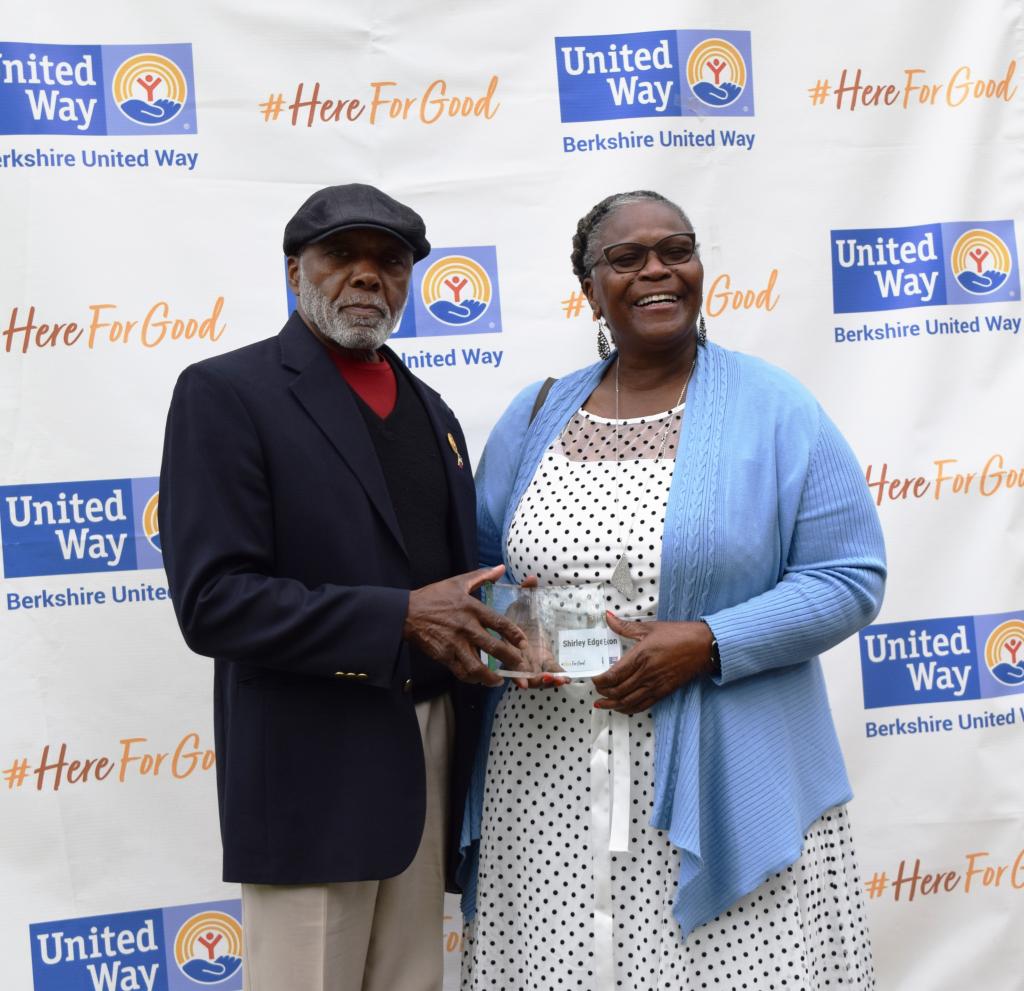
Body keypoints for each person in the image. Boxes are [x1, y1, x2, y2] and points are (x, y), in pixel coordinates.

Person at [459, 190, 886, 990]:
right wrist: (516, 633)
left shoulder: (775, 407)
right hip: (546, 778)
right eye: (627, 257)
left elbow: (849, 575)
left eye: (677, 249)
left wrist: (710, 641)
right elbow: (487, 572)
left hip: (721, 776)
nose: (658, 269)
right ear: (590, 288)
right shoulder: (536, 413)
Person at [159, 183, 524, 991]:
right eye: (341, 256)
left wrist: (494, 637)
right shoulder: (225, 393)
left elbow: (450, 588)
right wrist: (400, 616)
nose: (367, 276)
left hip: (430, 756)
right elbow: (214, 600)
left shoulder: (436, 412)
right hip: (311, 772)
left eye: (390, 262)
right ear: (295, 271)